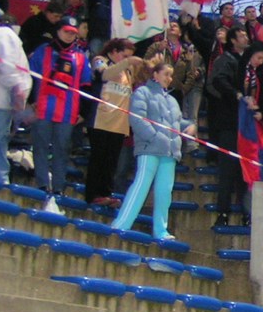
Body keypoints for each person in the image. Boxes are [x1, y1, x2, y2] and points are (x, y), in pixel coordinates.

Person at [110, 62, 195, 240]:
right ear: (155, 75)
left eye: (171, 76)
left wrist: (190, 126)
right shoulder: (142, 92)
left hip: (169, 152)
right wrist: (154, 137)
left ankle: (161, 230)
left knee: (165, 191)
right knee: (140, 186)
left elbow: (177, 123)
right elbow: (137, 118)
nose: (169, 79)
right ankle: (121, 224)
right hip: (150, 149)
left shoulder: (172, 100)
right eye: (166, 74)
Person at [27, 15, 92, 197]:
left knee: (62, 149)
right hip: (43, 107)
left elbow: (86, 85)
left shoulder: (80, 57)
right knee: (40, 146)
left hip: (67, 112)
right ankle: (41, 184)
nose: (69, 36)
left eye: (73, 33)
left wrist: (84, 112)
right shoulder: (43, 51)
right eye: (66, 32)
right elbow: (31, 75)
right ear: (58, 31)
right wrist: (31, 99)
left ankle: (58, 187)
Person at [85, 38, 141, 207]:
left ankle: (106, 193)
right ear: (114, 51)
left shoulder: (128, 71)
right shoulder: (100, 60)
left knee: (112, 161)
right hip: (101, 119)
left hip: (119, 123)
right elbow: (103, 74)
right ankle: (93, 193)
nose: (126, 59)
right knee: (98, 158)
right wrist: (127, 62)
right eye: (124, 55)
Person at [206, 26, 250, 227]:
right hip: (230, 123)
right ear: (233, 40)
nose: (246, 38)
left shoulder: (251, 63)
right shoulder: (226, 60)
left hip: (247, 126)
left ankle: (246, 213)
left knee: (245, 172)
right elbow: (218, 81)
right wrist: (236, 95)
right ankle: (222, 212)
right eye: (241, 36)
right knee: (227, 171)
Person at [0, 17, 30, 185]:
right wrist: (18, 91)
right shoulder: (6, 35)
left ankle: (1, 179)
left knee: (0, 142)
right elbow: (8, 66)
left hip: (2, 101)